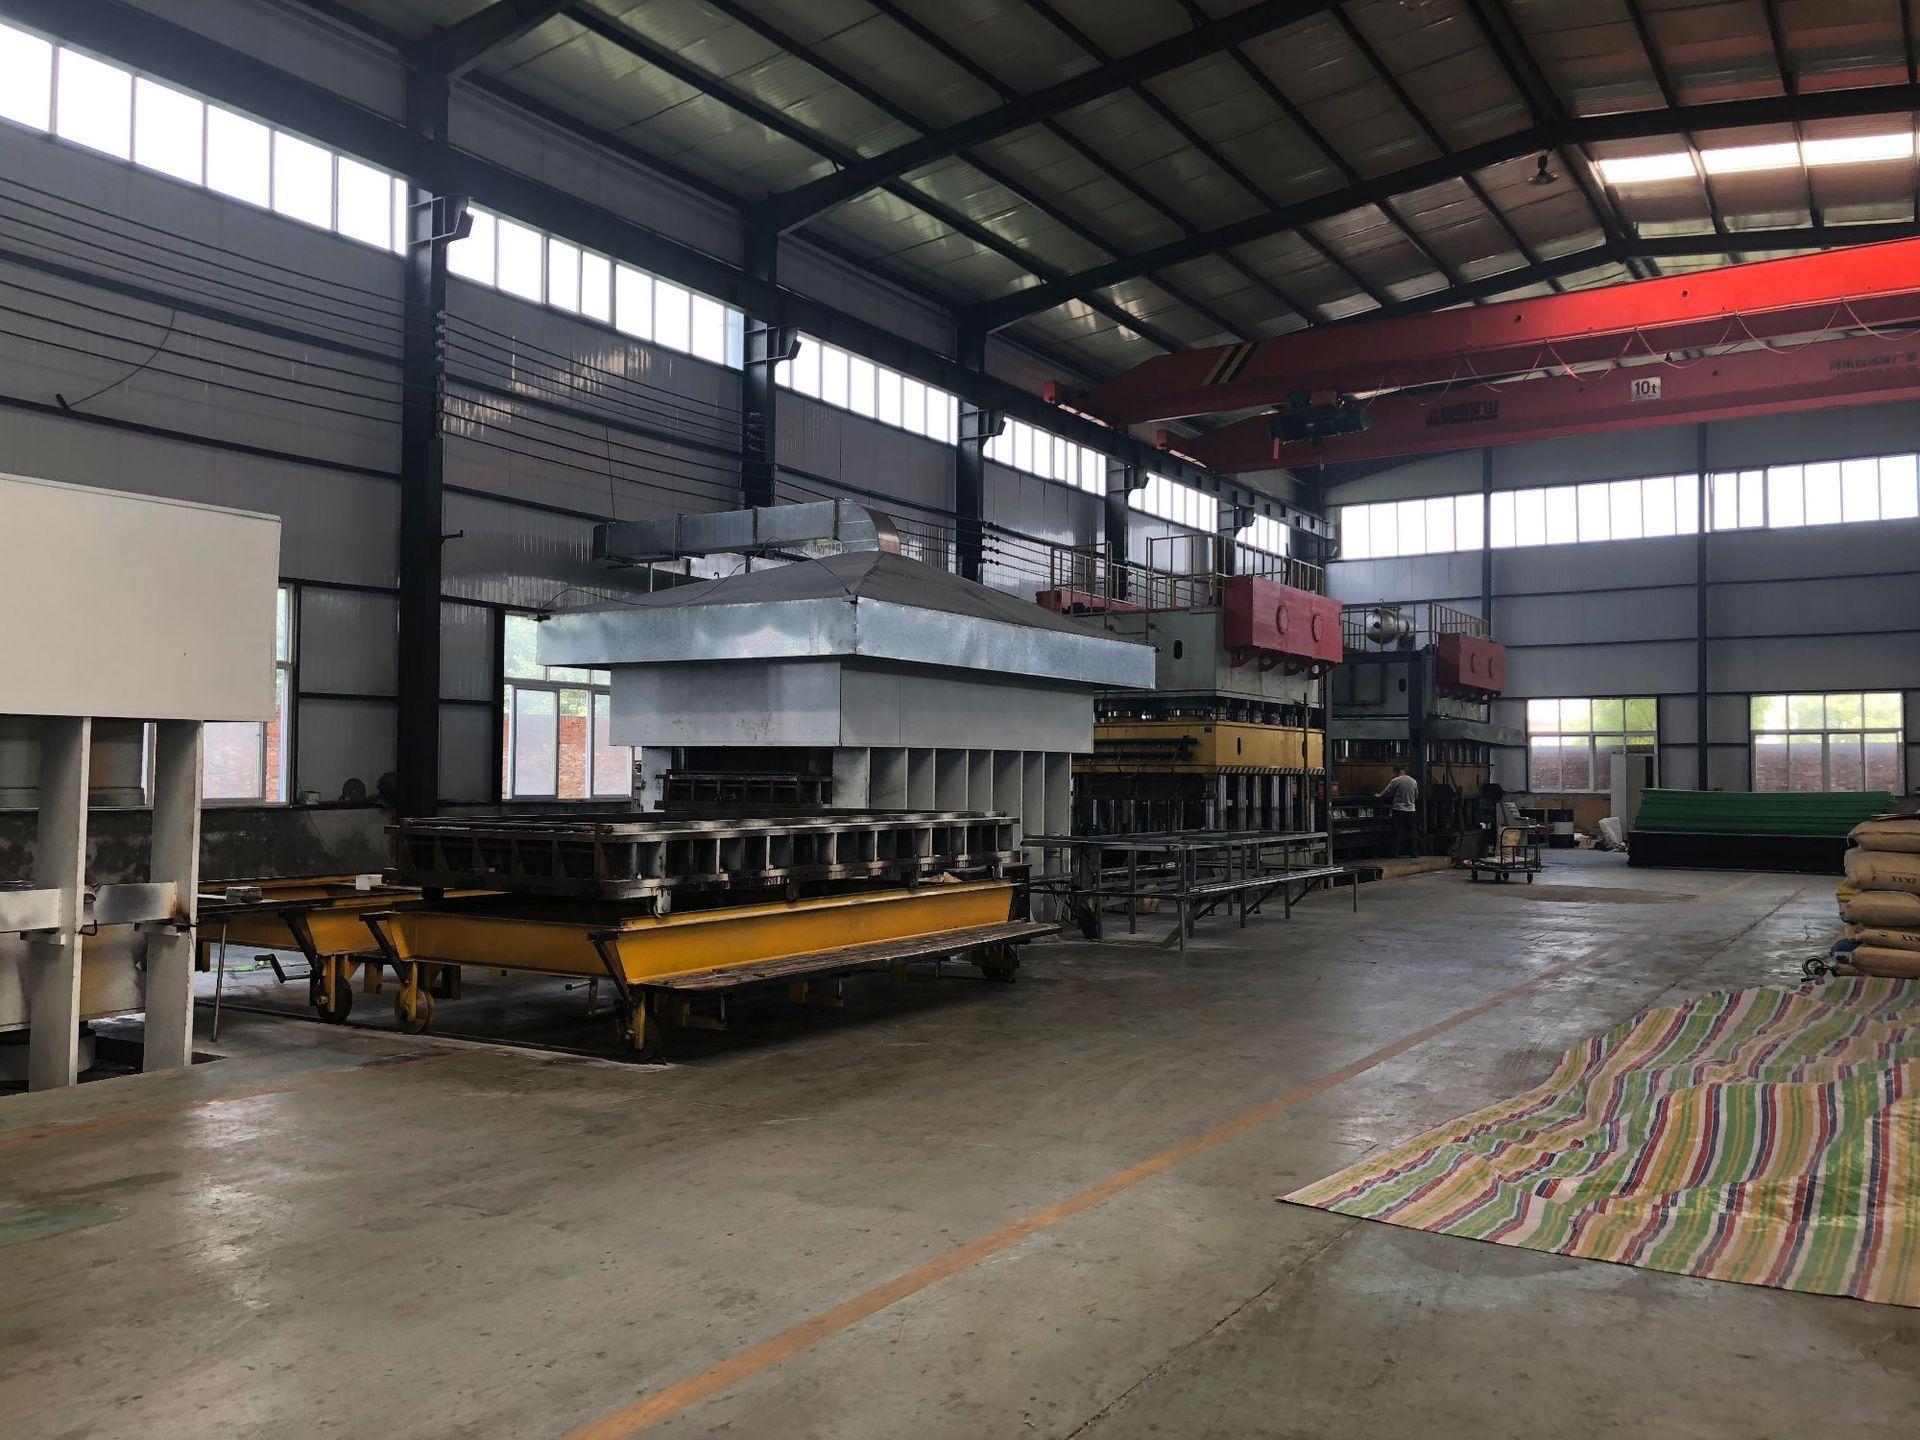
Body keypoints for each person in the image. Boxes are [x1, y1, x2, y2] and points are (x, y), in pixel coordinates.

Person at [1379, 764, 1419, 857]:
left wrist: (1378, 795)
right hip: (1411, 810)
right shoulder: (1413, 781)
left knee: (1396, 832)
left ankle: (1394, 852)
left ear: (1397, 771)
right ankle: (1414, 852)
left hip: (1399, 810)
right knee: (1412, 832)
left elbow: (1386, 791)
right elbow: (1416, 795)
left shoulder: (1396, 780)